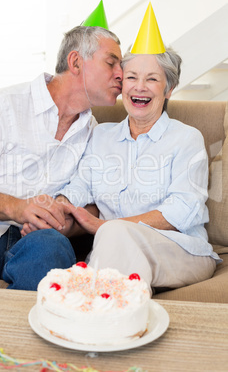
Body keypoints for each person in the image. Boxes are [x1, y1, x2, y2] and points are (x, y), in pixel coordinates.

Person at [23, 46, 221, 295]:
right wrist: (55, 211)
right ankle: (113, 314)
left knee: (114, 234)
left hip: (182, 250)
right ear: (122, 85)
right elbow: (80, 187)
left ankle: (92, 307)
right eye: (132, 77)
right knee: (113, 240)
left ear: (168, 89)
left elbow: (182, 211)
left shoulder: (186, 139)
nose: (140, 86)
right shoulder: (101, 135)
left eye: (152, 79)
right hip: (114, 248)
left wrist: (105, 226)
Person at [0, 25, 122, 290]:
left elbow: (94, 205)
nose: (121, 75)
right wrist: (17, 208)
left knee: (53, 247)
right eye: (111, 63)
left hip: (35, 242)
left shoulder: (95, 132)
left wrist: (63, 224)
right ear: (76, 62)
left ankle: (21, 329)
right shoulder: (6, 104)